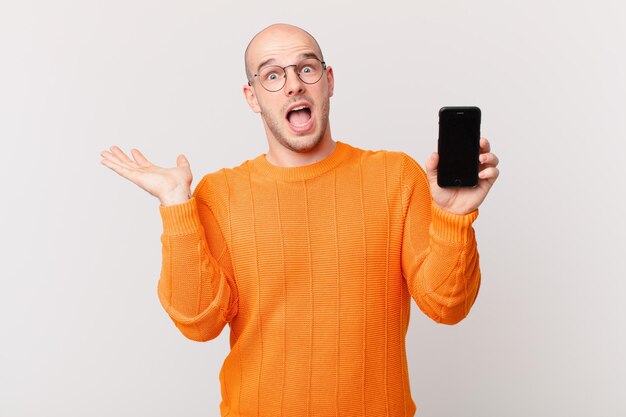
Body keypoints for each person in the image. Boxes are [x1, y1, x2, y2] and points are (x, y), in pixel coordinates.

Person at [100, 23, 499, 417]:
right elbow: (198, 324)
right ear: (252, 97)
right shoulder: (219, 194)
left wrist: (453, 214)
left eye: (306, 69)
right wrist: (175, 206)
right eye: (272, 75)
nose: (293, 85)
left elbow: (448, 307)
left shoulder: (396, 177)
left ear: (327, 81)